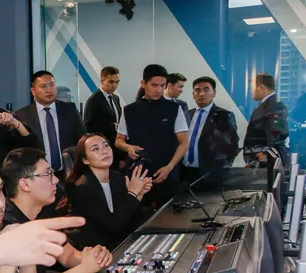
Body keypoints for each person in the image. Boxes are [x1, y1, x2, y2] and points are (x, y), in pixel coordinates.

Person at [1, 148, 113, 273]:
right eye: (47, 174)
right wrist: (84, 269)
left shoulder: (43, 212)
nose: (55, 180)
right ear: (25, 184)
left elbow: (66, 255)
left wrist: (94, 258)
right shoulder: (7, 226)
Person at [115, 64, 189, 206]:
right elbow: (118, 141)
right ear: (143, 84)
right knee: (135, 213)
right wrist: (129, 148)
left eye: (162, 85)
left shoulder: (174, 109)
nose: (159, 90)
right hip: (137, 176)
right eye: (154, 85)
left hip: (167, 173)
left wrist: (169, 167)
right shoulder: (129, 110)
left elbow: (184, 142)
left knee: (167, 215)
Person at [67, 134, 153, 249]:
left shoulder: (117, 177)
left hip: (116, 242)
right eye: (95, 149)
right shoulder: (81, 188)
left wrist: (139, 194)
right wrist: (132, 193)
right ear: (85, 160)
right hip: (92, 247)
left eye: (106, 146)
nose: (104, 151)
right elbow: (113, 224)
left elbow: (127, 218)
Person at [16, 71, 86, 175]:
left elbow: (82, 139)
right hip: (40, 174)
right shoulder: (22, 115)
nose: (49, 90)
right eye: (43, 86)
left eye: (52, 85)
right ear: (33, 91)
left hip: (70, 172)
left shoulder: (69, 109)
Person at [180, 76, 240, 183]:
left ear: (214, 93)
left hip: (211, 174)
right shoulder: (186, 115)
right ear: (193, 94)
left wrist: (221, 167)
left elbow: (232, 146)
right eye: (197, 90)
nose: (201, 94)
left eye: (206, 90)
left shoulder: (224, 116)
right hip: (185, 173)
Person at [244, 73, 290, 167]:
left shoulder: (275, 105)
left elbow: (277, 134)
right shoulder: (266, 104)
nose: (252, 91)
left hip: (269, 161)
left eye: (253, 88)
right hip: (263, 160)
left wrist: (261, 154)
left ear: (261, 87)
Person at [83, 66, 123, 163]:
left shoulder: (115, 98)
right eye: (111, 82)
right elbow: (89, 126)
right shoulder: (94, 100)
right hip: (103, 148)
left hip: (117, 147)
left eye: (117, 82)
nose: (114, 85)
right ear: (102, 81)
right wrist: (113, 126)